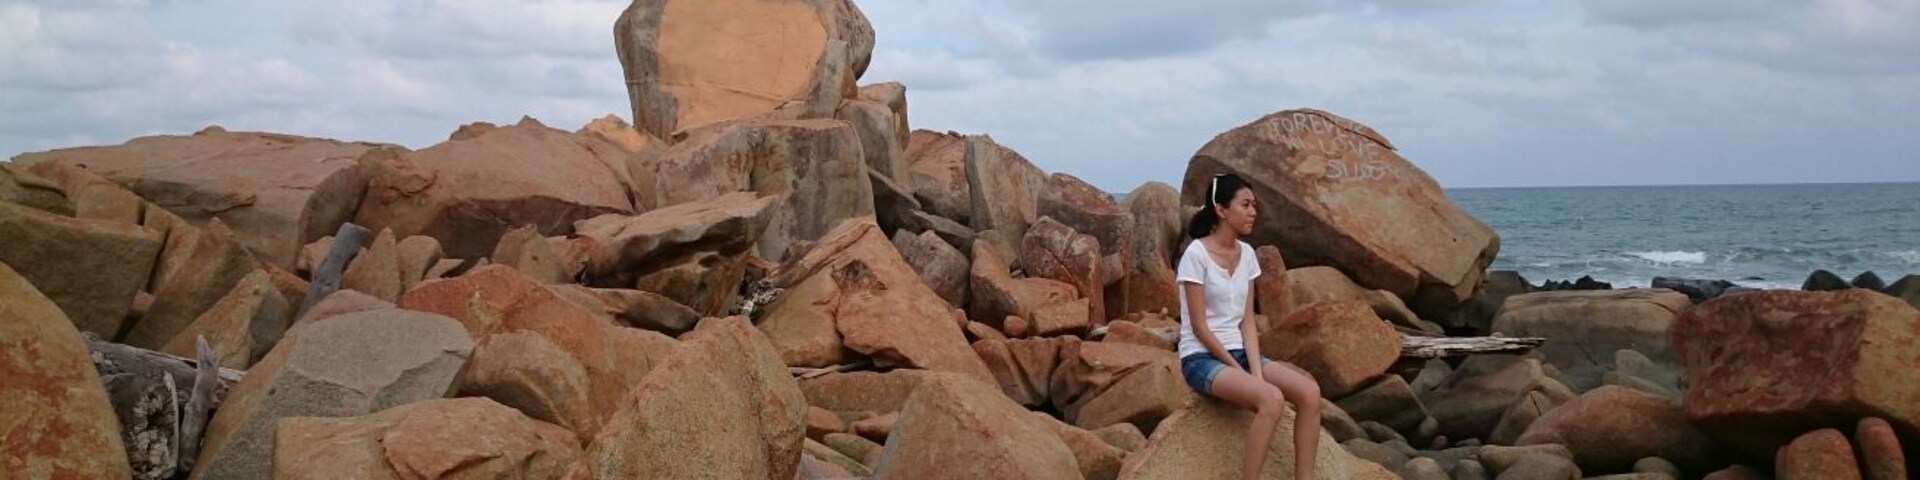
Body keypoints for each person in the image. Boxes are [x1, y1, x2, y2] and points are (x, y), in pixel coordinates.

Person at [1176, 173, 1321, 480]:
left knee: (1309, 392)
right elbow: (1200, 328)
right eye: (1245, 204)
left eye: (1254, 205)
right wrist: (1242, 373)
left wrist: (1255, 372)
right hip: (1201, 359)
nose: (1253, 211)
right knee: (1271, 399)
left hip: (1241, 351)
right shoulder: (1196, 255)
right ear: (1221, 209)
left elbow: (1246, 322)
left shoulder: (1248, 256)